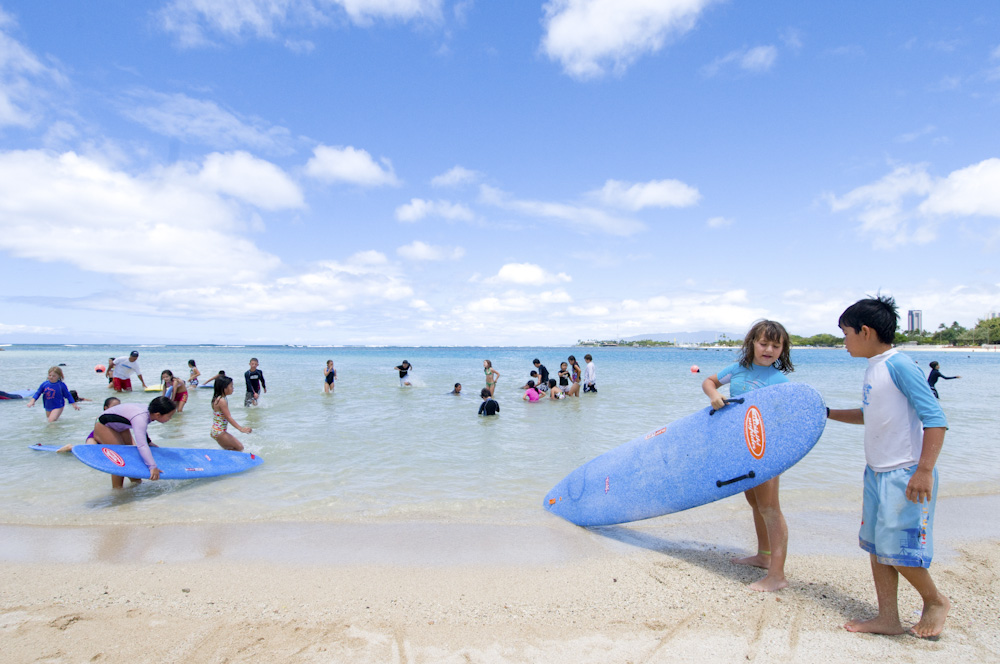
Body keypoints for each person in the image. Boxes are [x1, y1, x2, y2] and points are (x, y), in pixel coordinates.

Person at [828, 296, 950, 638]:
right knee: (879, 548)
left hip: (906, 473)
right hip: (877, 471)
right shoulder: (875, 367)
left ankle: (935, 600)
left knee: (900, 552)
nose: (844, 342)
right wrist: (826, 414)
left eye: (846, 334)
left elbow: (936, 419)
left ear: (865, 331)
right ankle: (888, 618)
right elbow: (870, 416)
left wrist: (924, 470)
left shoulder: (900, 365)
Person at [702, 319, 795, 592]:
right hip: (740, 447)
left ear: (782, 350)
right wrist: (714, 395)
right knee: (755, 503)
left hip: (766, 450)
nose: (768, 349)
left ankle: (777, 575)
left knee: (770, 508)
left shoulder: (780, 381)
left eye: (775, 346)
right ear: (752, 343)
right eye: (763, 343)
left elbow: (786, 420)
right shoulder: (739, 370)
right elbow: (709, 381)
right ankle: (764, 557)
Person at [92, 396, 177, 489]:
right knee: (120, 458)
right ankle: (117, 490)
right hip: (104, 424)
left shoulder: (149, 413)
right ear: (157, 415)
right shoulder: (140, 417)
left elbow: (142, 430)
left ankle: (136, 484)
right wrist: (152, 467)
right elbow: (141, 445)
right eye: (169, 416)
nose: (170, 418)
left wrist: (149, 441)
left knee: (131, 455)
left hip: (120, 425)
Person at [57, 396, 121, 453]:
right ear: (106, 408)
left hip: (109, 439)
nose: (117, 408)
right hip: (95, 438)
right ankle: (70, 448)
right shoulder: (102, 417)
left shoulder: (121, 417)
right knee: (90, 452)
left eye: (119, 406)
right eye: (114, 406)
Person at [210, 376, 252, 451]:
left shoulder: (217, 398)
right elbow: (228, 417)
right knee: (240, 447)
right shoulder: (222, 401)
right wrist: (241, 429)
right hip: (220, 432)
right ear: (224, 388)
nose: (233, 388)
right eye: (231, 386)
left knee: (231, 448)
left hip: (216, 431)